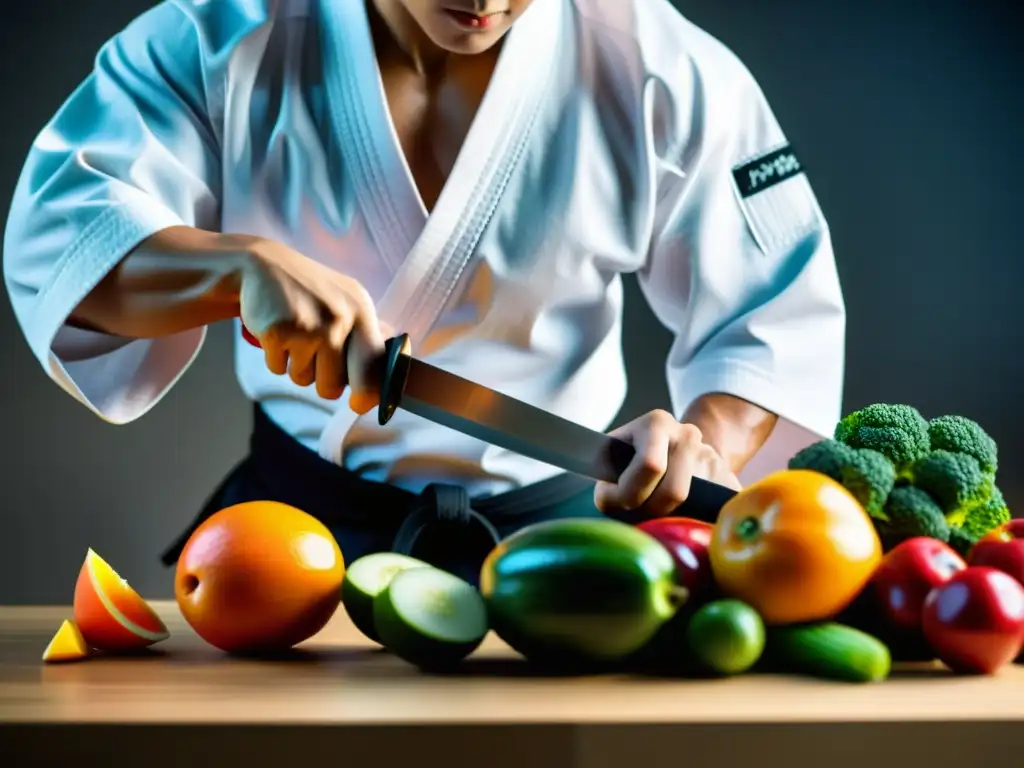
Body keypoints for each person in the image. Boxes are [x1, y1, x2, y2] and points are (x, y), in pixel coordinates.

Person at [3, 0, 845, 585]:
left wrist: (703, 447)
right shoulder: (221, 38)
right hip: (289, 548)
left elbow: (772, 309)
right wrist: (236, 268)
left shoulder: (661, 66)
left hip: (565, 551)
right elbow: (59, 239)